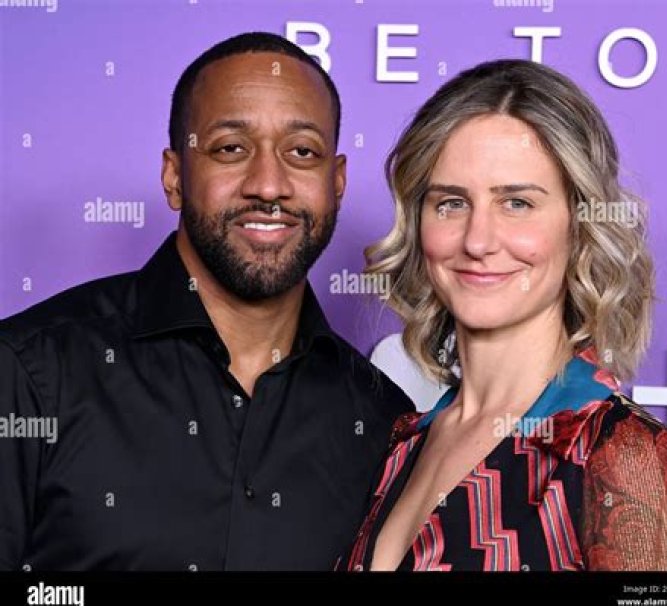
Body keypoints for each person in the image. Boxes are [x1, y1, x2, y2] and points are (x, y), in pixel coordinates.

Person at [0, 32, 414, 570]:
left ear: (336, 183)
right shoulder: (30, 372)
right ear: (174, 177)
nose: (269, 185)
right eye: (230, 149)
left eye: (302, 152)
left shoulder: (382, 420)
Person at [338, 59, 667, 571]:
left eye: (517, 203)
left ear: (580, 227)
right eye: (451, 203)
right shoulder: (399, 445)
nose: (477, 241)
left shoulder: (627, 458)